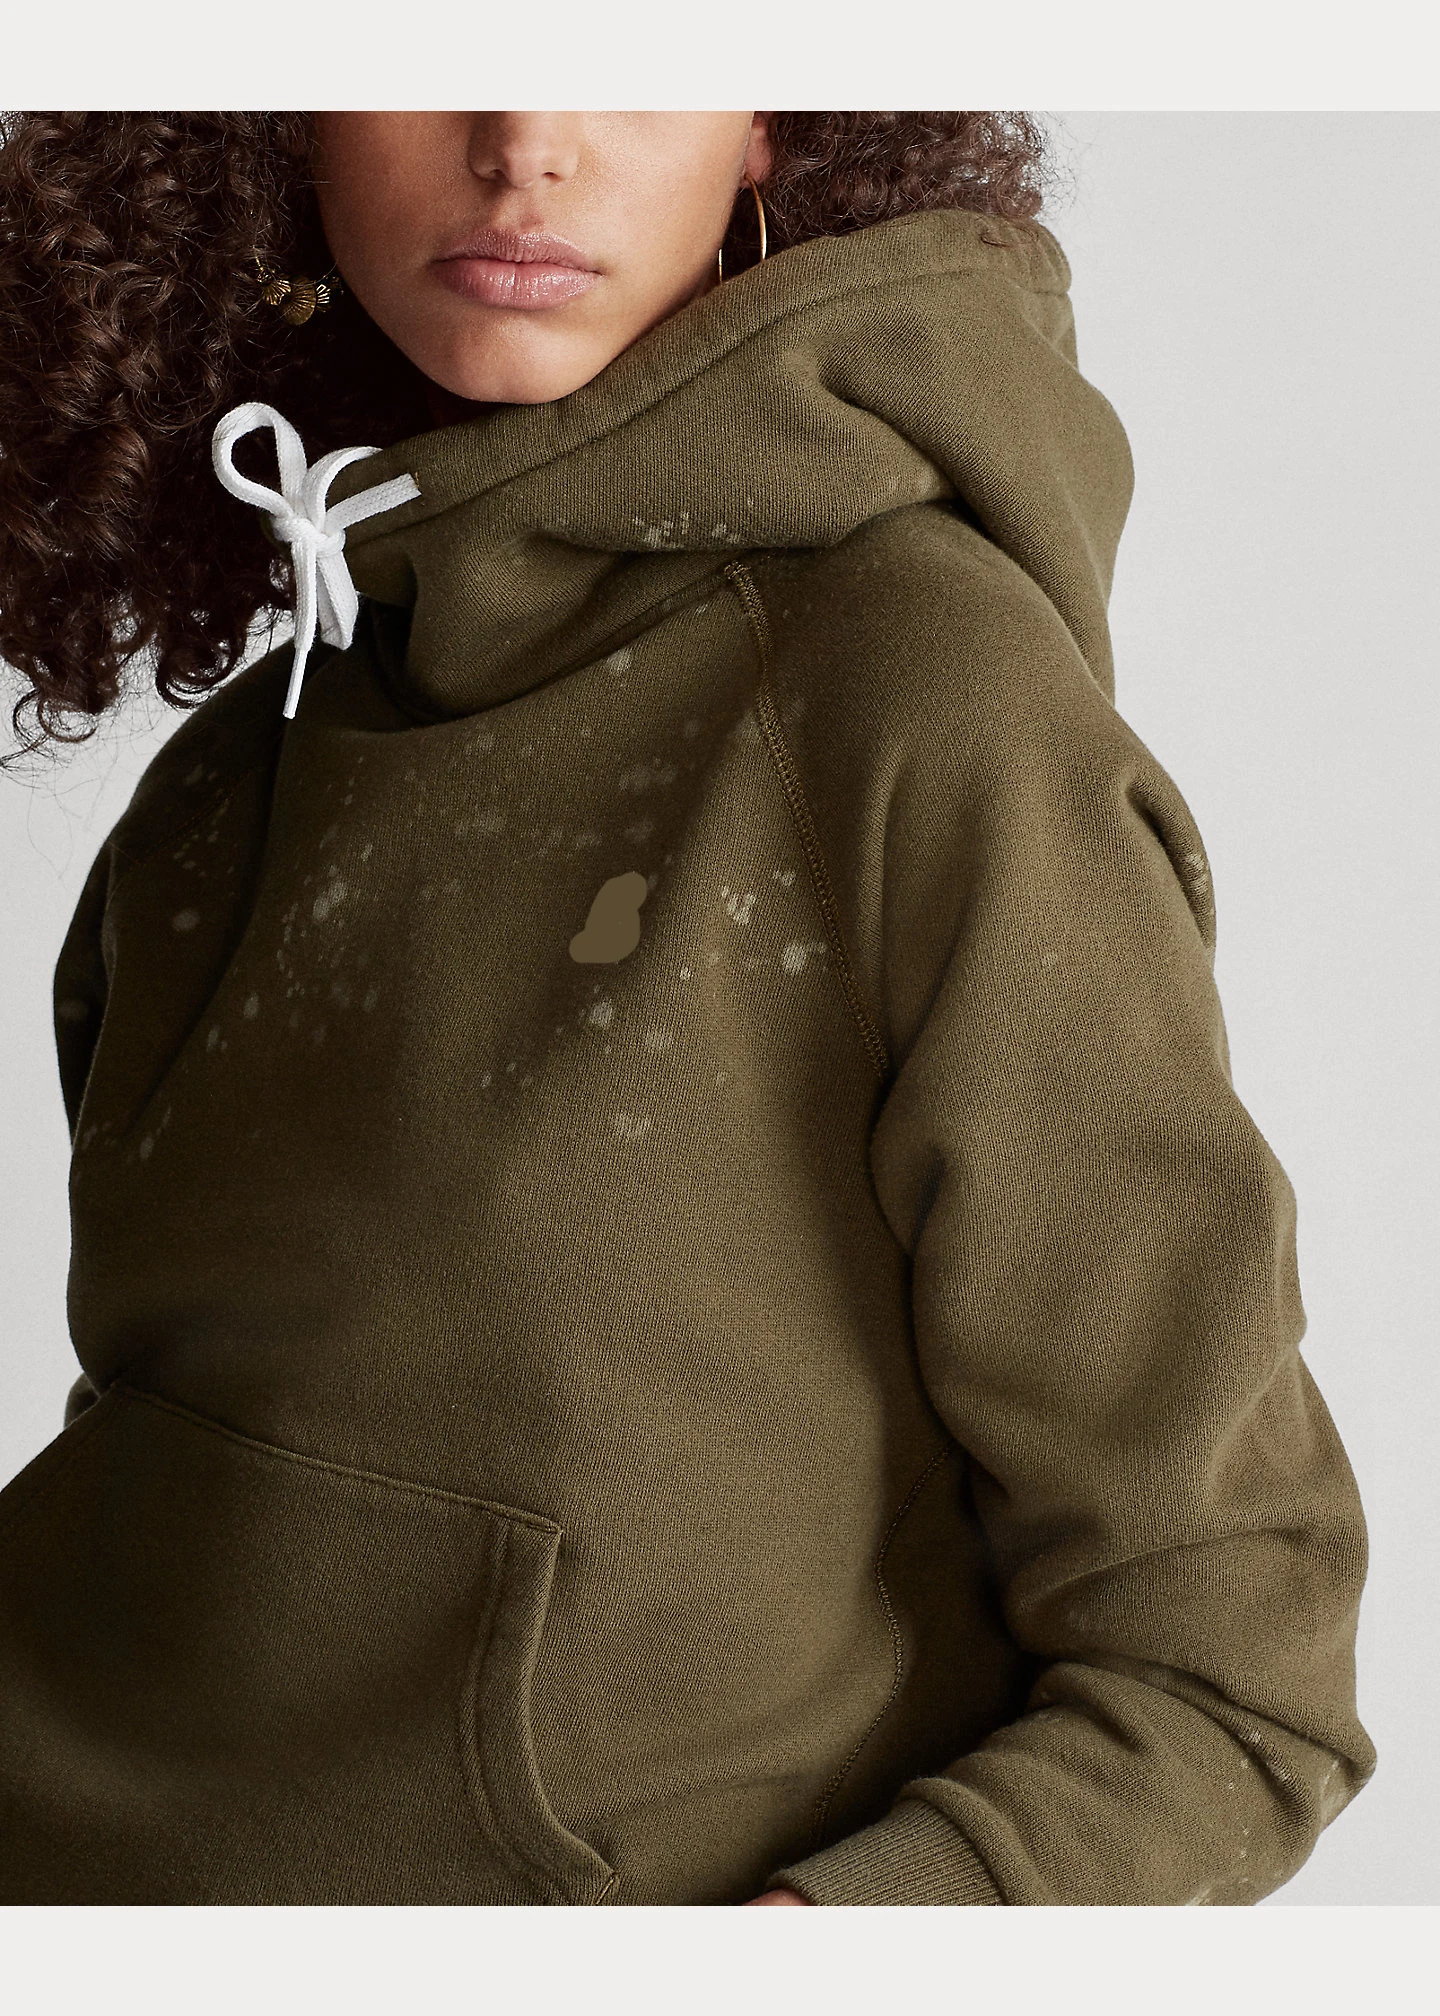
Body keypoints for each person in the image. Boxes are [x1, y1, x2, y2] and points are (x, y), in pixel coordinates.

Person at [0, 110, 1375, 1906]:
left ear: (773, 124)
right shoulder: (233, 778)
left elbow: (1229, 1676)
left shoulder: (916, 707)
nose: (523, 143)